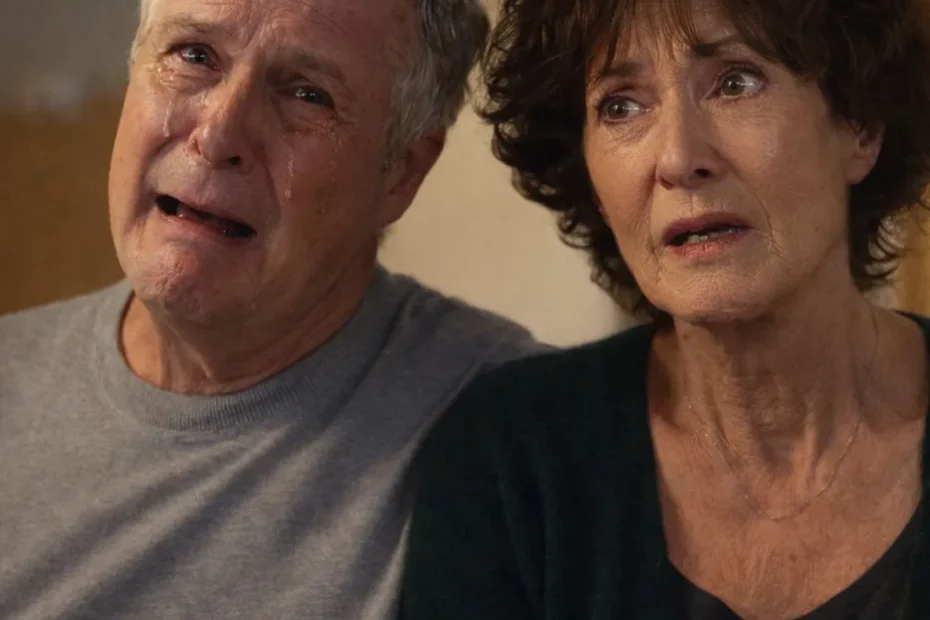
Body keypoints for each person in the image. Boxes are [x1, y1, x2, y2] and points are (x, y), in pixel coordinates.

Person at [0, 0, 543, 618]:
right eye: (194, 56)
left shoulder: (524, 447)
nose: (217, 135)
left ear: (402, 172)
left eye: (307, 95)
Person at [400, 0, 930, 618]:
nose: (678, 159)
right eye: (621, 106)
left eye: (736, 82)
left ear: (860, 127)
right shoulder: (510, 462)